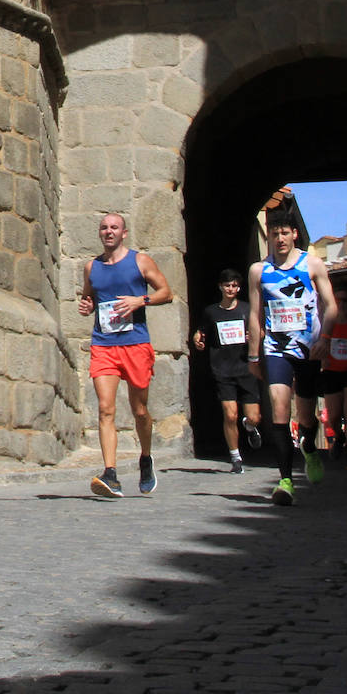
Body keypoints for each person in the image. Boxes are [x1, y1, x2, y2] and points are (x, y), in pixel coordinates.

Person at [77, 213, 173, 497]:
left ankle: (145, 458)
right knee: (106, 408)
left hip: (135, 344)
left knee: (139, 410)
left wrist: (140, 300)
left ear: (124, 233)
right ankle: (111, 473)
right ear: (100, 233)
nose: (109, 232)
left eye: (114, 227)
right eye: (104, 228)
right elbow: (88, 298)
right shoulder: (91, 267)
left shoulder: (140, 261)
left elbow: (166, 292)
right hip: (103, 344)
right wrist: (87, 307)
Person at [247, 207, 337, 506]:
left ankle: (309, 446)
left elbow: (331, 306)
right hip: (276, 348)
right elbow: (255, 314)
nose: (279, 238)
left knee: (307, 414)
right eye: (274, 234)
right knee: (279, 410)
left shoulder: (312, 265)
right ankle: (285, 481)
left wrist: (325, 338)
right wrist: (253, 355)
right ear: (269, 237)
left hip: (308, 347)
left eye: (284, 233)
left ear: (294, 234)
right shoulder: (259, 271)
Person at [193, 269, 263, 474]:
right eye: (227, 285)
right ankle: (235, 457)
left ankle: (250, 427)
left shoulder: (247, 309)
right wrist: (198, 338)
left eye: (234, 286)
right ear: (220, 287)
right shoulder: (211, 312)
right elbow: (202, 331)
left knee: (254, 417)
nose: (231, 289)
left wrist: (255, 338)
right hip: (222, 369)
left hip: (246, 368)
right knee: (230, 415)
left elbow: (261, 331)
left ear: (239, 288)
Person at [320, 283, 347, 470]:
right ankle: (338, 437)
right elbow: (319, 343)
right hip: (332, 373)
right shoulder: (327, 323)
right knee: (334, 416)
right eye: (338, 300)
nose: (342, 303)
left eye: (346, 300)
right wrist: (323, 360)